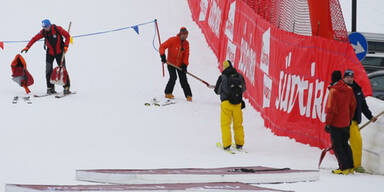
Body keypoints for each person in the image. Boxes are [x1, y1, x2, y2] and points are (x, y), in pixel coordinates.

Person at [21, 19, 71, 95]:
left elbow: (67, 36)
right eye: (44, 27)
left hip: (60, 52)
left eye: (46, 27)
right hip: (50, 53)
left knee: (63, 70)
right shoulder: (43, 32)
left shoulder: (57, 29)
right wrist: (27, 47)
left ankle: (66, 88)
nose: (45, 28)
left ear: (50, 25)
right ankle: (50, 88)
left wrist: (66, 46)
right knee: (48, 70)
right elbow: (34, 38)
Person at [343, 69, 378, 173]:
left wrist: (370, 117)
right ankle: (344, 164)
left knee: (357, 143)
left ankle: (356, 165)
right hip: (342, 121)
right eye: (347, 77)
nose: (349, 79)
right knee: (342, 145)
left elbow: (363, 106)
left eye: (351, 77)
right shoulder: (340, 89)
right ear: (344, 78)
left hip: (353, 122)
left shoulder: (358, 90)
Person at [325, 70, 356, 175]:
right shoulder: (349, 89)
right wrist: (349, 118)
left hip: (335, 123)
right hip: (346, 122)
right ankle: (350, 167)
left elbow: (330, 109)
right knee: (345, 144)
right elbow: (353, 106)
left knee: (337, 146)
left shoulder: (333, 91)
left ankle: (343, 168)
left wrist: (328, 123)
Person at [214, 60, 246, 151]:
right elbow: (243, 88)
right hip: (237, 104)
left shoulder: (222, 77)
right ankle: (239, 144)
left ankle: (227, 144)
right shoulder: (239, 76)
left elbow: (217, 91)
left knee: (225, 125)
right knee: (238, 125)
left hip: (226, 104)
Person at [159, 27, 192, 101]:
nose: (185, 37)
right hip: (171, 63)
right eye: (184, 35)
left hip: (180, 64)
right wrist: (162, 55)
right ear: (180, 34)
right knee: (173, 77)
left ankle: (188, 95)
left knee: (183, 79)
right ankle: (168, 93)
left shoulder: (186, 44)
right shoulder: (173, 40)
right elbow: (162, 46)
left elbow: (186, 55)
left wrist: (185, 65)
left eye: (186, 35)